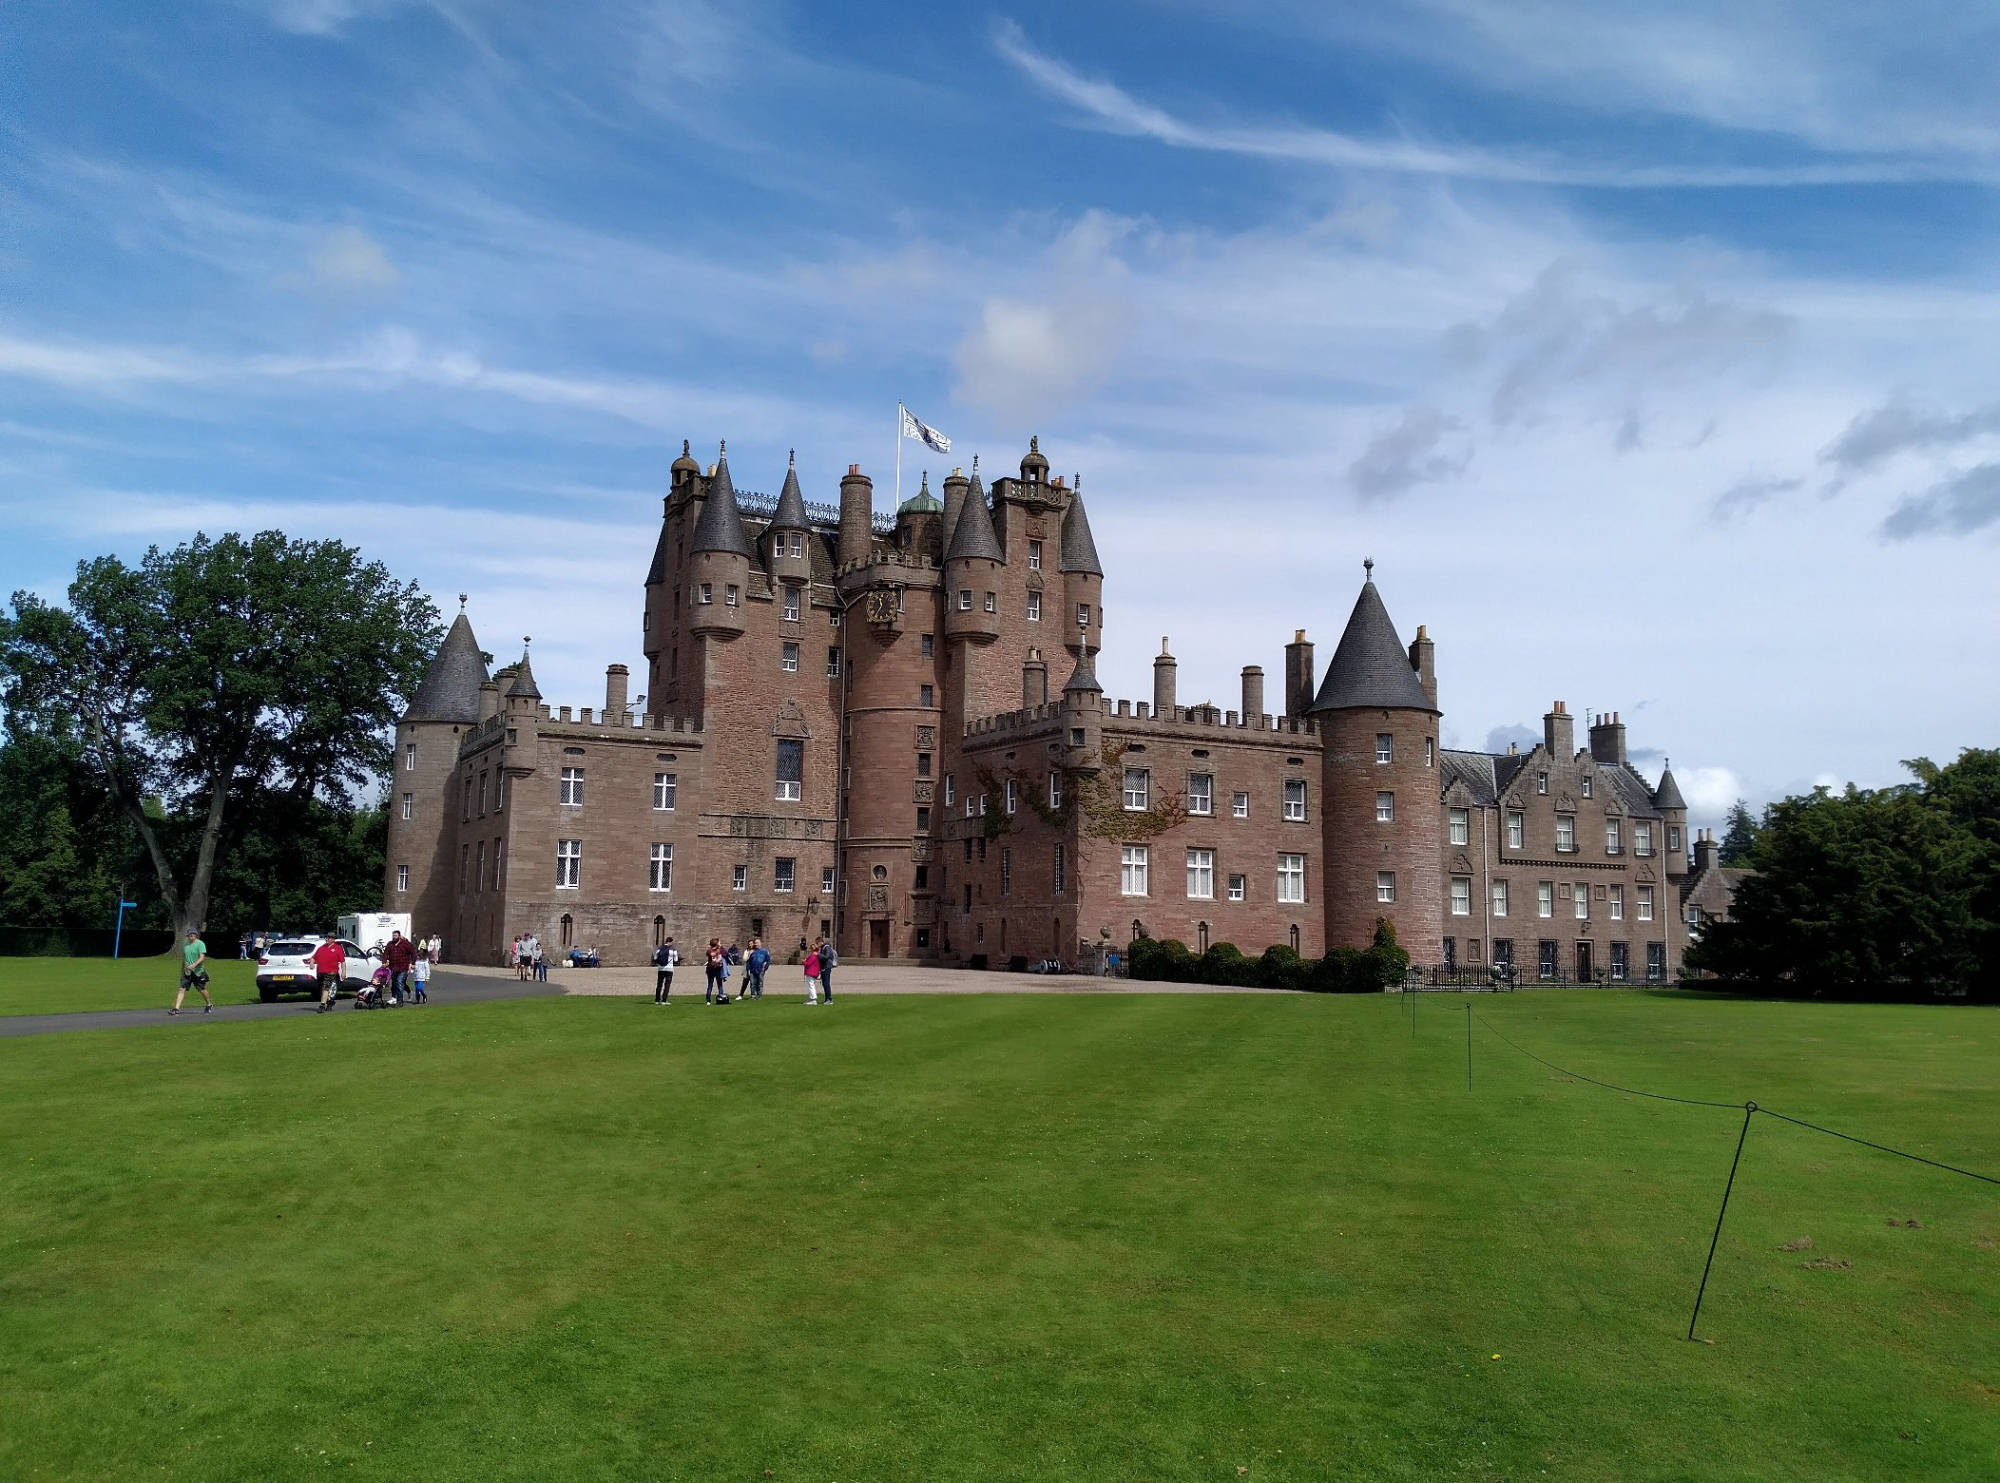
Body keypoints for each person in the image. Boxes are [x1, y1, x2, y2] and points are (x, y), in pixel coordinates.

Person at [170, 928, 213, 1015]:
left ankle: (209, 1004)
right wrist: (182, 969)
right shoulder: (185, 944)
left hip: (198, 972)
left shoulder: (200, 944)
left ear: (196, 935)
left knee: (201, 990)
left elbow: (202, 957)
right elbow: (184, 958)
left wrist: (194, 965)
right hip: (187, 972)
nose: (191, 935)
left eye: (193, 934)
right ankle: (176, 1009)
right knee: (181, 989)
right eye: (189, 934)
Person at [312, 937, 346, 1013]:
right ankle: (330, 1001)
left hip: (332, 972)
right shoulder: (321, 948)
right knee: (322, 989)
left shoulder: (338, 948)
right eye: (326, 938)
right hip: (321, 972)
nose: (326, 939)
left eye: (328, 938)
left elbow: (343, 962)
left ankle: (322, 1006)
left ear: (333, 940)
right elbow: (314, 957)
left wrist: (343, 972)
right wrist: (312, 963)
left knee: (325, 988)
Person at [383, 929, 417, 1005]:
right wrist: (384, 962)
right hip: (393, 968)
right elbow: (385, 954)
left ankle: (399, 1001)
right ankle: (393, 998)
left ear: (399, 936)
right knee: (394, 983)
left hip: (403, 968)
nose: (394, 937)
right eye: (393, 935)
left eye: (395, 935)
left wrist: (412, 963)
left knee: (399, 982)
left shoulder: (405, 944)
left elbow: (413, 953)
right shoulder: (390, 944)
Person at [652, 937, 679, 1004]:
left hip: (661, 968)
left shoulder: (660, 948)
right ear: (671, 942)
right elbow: (676, 960)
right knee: (667, 985)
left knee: (659, 984)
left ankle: (657, 1000)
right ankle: (664, 1000)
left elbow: (655, 957)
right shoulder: (673, 949)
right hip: (669, 969)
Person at [704, 938, 726, 1003]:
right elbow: (725, 952)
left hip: (710, 970)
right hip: (717, 969)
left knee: (710, 985)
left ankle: (708, 1000)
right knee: (719, 985)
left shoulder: (709, 950)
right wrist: (720, 947)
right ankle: (721, 998)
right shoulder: (718, 950)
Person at [816, 936, 837, 1003]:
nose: (817, 945)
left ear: (820, 942)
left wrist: (818, 955)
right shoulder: (823, 948)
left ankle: (829, 999)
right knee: (824, 983)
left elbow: (826, 957)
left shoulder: (826, 947)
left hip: (827, 967)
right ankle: (827, 998)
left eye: (817, 943)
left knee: (826, 983)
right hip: (824, 967)